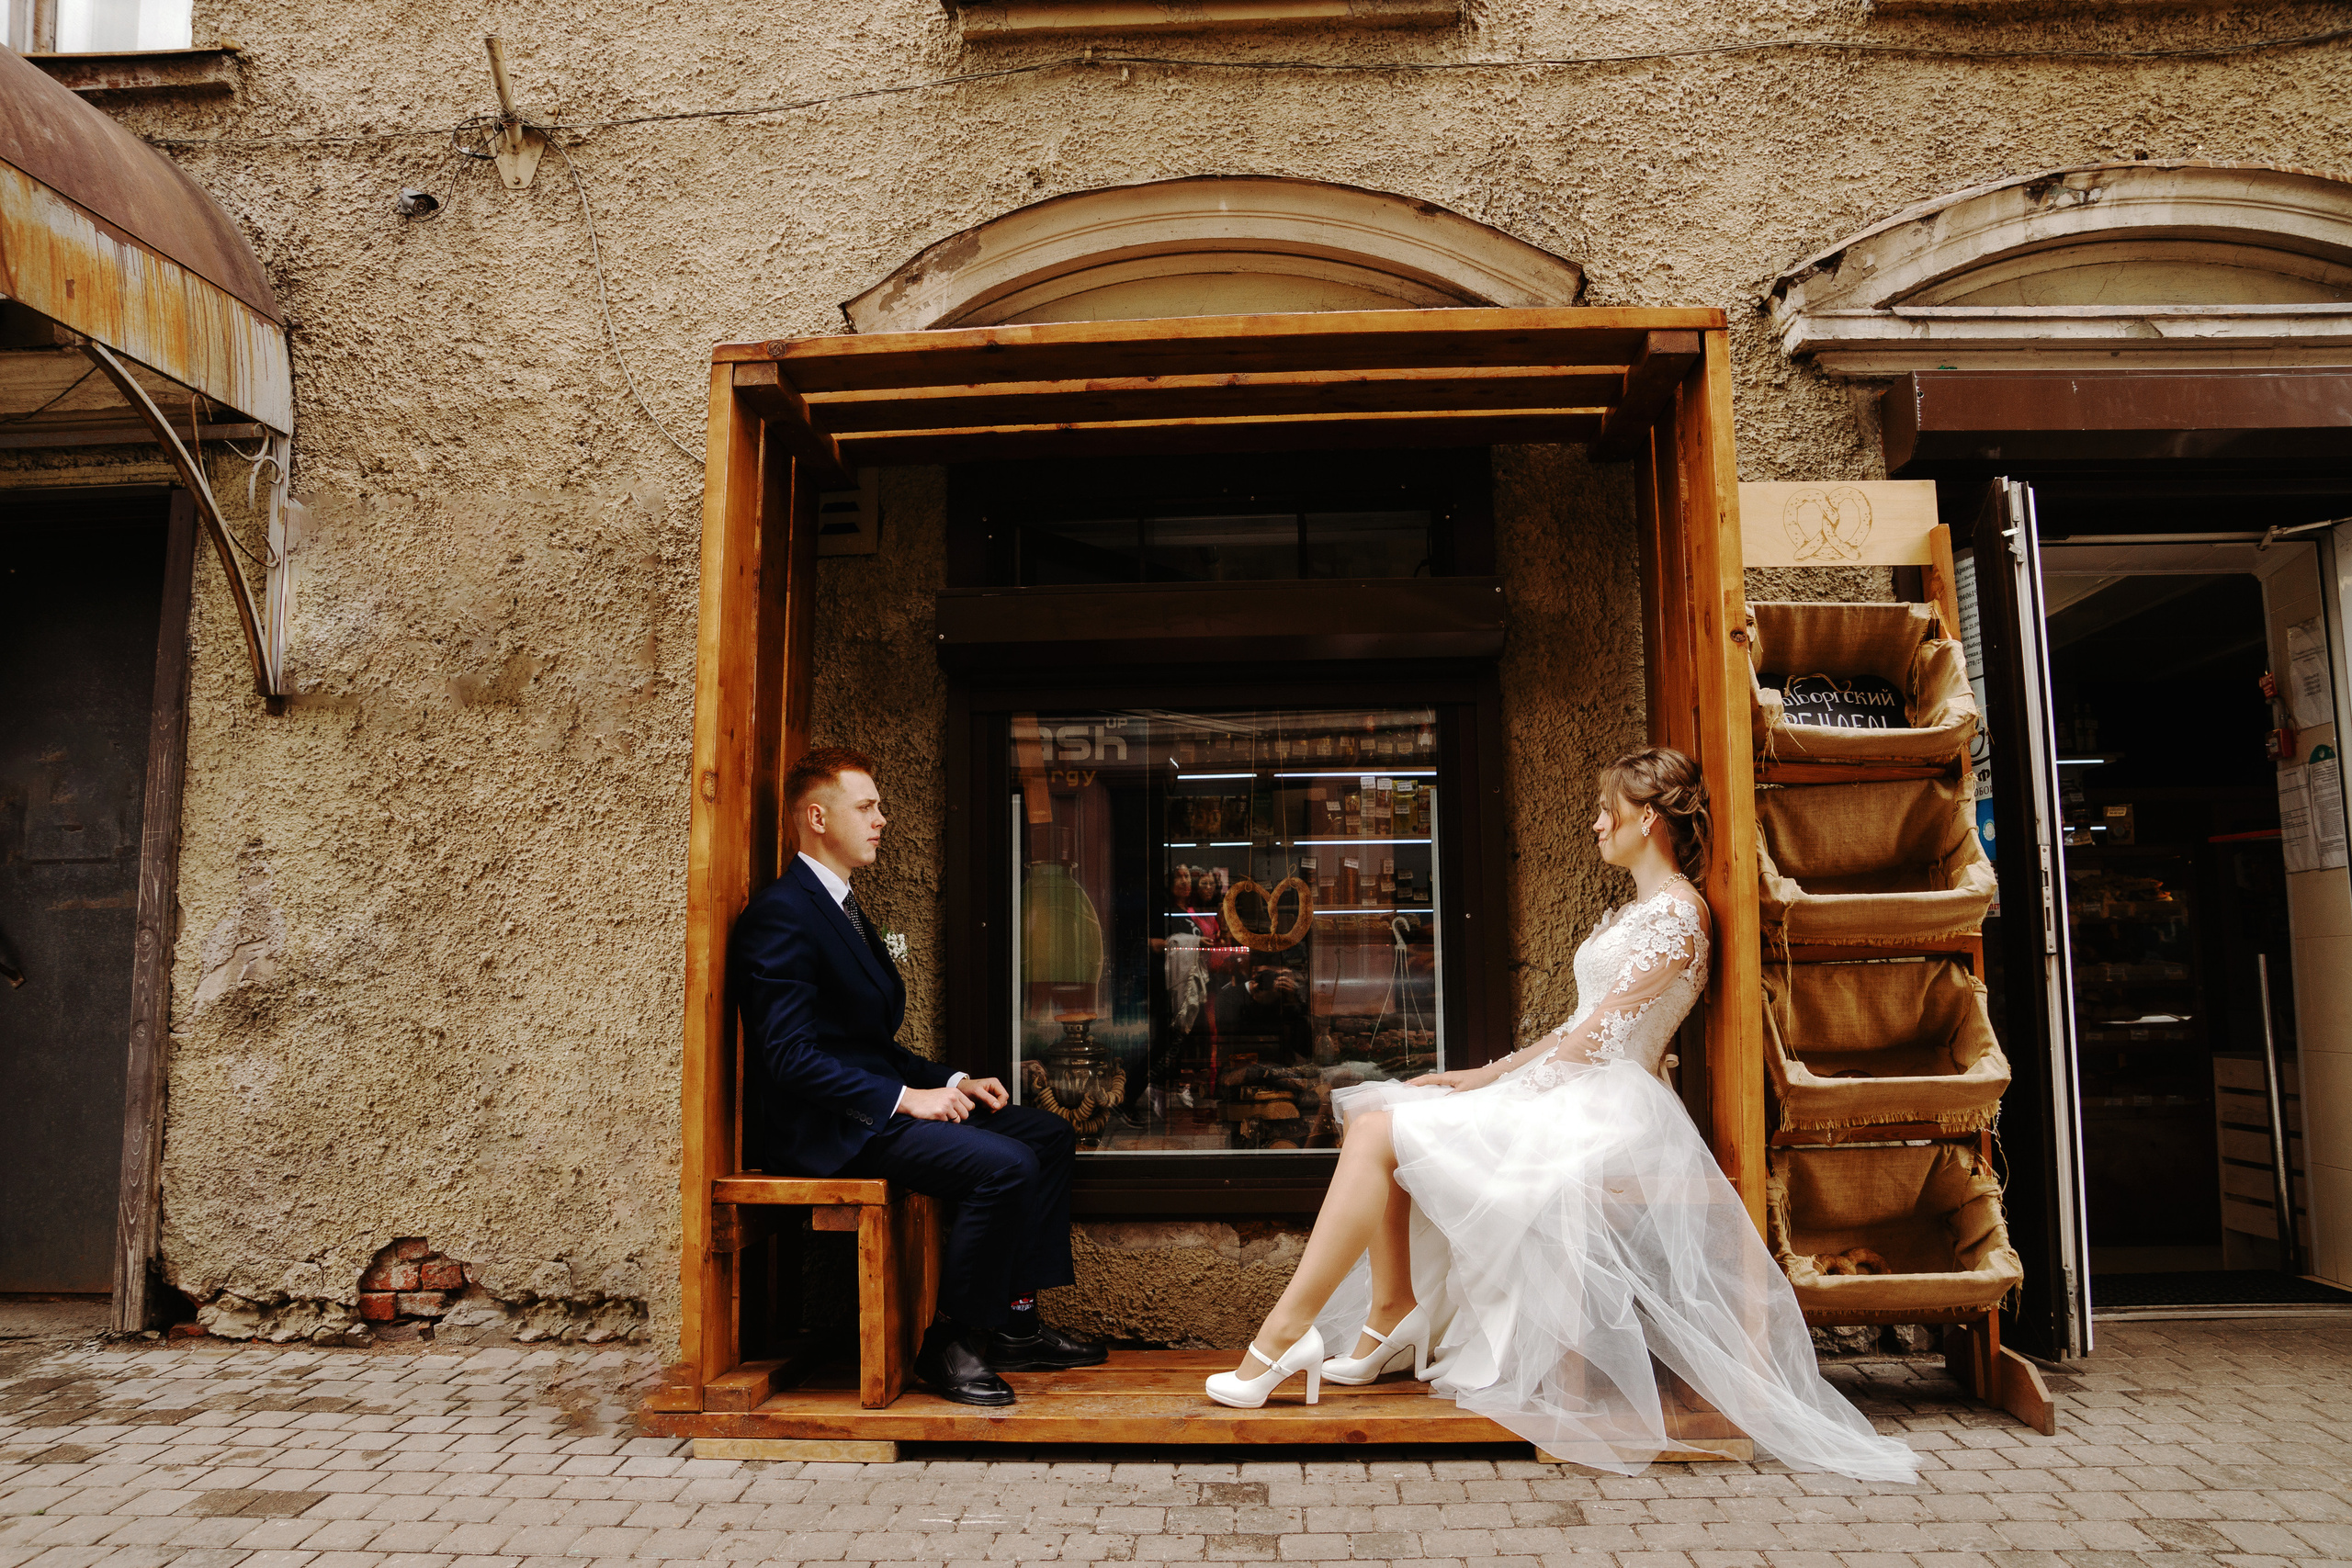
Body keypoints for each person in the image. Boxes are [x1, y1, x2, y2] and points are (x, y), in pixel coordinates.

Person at [1202, 747, 1917, 1483]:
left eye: (1609, 809)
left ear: (1649, 817)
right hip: (1578, 1085)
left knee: (1383, 1125)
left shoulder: (1679, 915)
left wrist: (1506, 1091)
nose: (1597, 823)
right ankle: (1391, 1310)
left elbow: (1602, 1036)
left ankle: (1286, 1335)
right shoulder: (1638, 912)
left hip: (1612, 1110)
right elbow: (1575, 1026)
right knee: (1380, 1110)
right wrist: (1485, 1074)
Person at [731, 746, 1104, 1406]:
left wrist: (954, 1081)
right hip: (831, 1130)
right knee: (1005, 1166)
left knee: (1045, 1136)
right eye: (866, 807)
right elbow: (789, 1057)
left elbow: (867, 1045)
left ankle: (1015, 1324)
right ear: (817, 817)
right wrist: (905, 1099)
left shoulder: (842, 906)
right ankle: (953, 1341)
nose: (881, 819)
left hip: (876, 1109)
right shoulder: (782, 913)